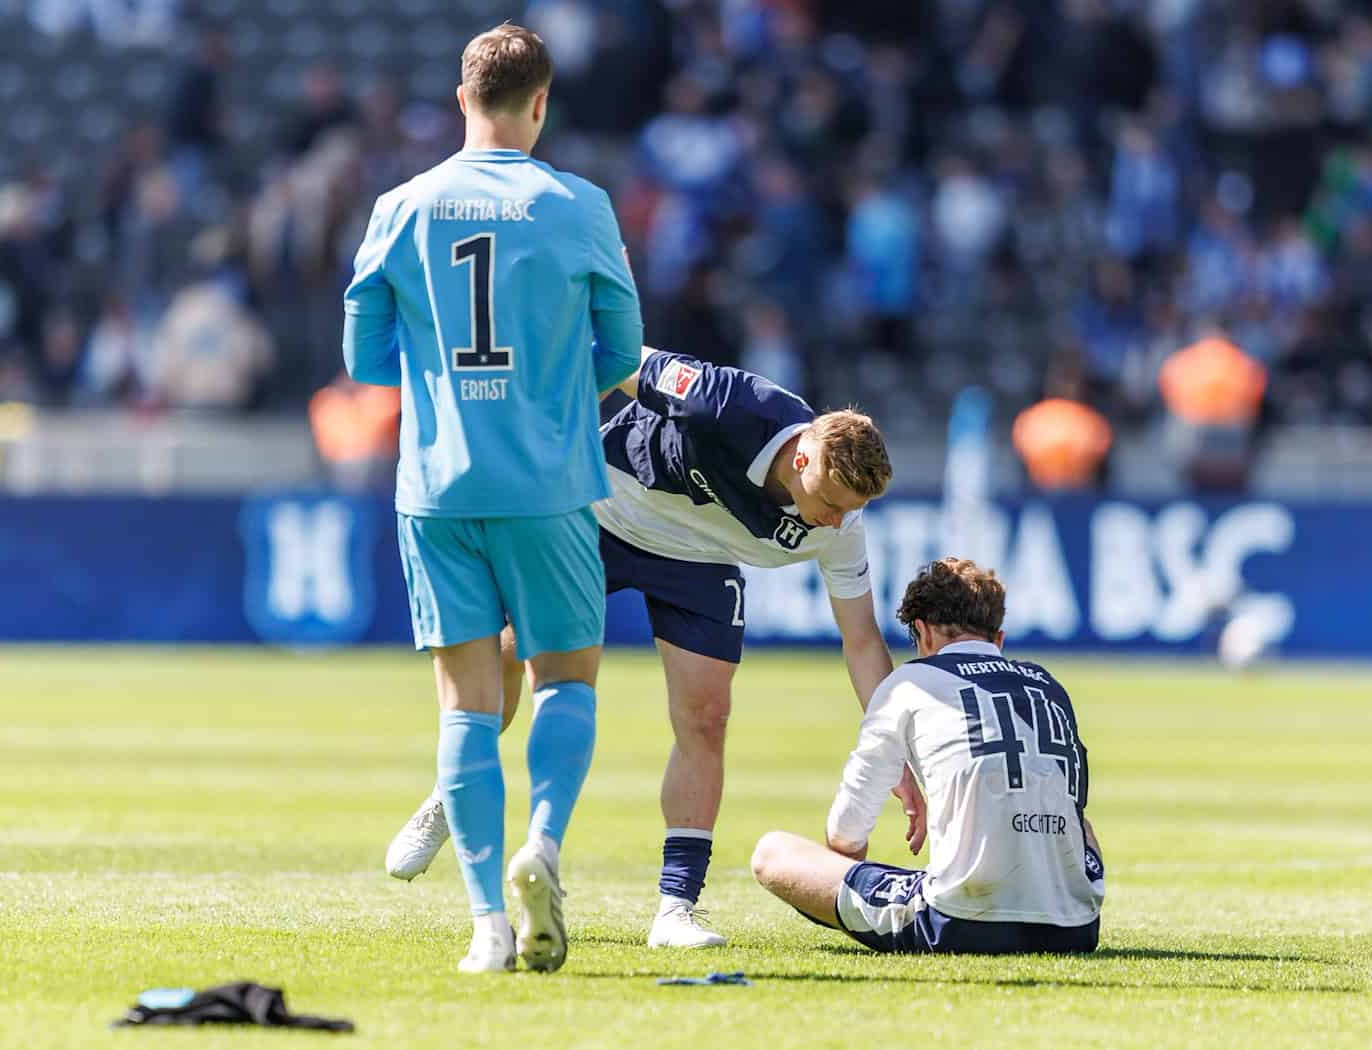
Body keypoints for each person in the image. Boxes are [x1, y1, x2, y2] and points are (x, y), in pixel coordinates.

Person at [386, 346, 927, 949]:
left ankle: (675, 910)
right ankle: (454, 791)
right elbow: (609, 354)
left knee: (706, 717)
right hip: (605, 509)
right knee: (509, 651)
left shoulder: (841, 526)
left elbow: (862, 642)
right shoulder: (727, 400)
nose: (833, 522)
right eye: (828, 502)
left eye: (849, 511)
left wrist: (896, 754)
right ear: (801, 455)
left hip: (698, 561)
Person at [342, 24, 643, 974]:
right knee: (564, 679)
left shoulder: (402, 206)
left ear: (461, 96)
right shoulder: (581, 205)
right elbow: (625, 354)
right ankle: (543, 847)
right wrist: (546, 394)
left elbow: (360, 359)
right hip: (549, 484)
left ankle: (484, 927)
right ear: (541, 102)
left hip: (438, 485)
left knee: (467, 707)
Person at [751, 558, 1105, 954]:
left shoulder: (909, 682)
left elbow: (846, 834)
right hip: (1076, 927)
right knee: (1080, 823)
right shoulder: (1048, 684)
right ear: (998, 639)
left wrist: (851, 873)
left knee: (772, 851)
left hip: (960, 922)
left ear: (922, 632)